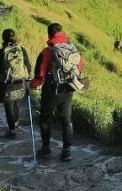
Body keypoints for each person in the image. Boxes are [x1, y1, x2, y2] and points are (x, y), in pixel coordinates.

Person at [29, 23, 83, 161]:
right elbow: (80, 65)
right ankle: (66, 152)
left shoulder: (47, 52)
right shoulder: (72, 48)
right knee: (66, 120)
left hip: (51, 91)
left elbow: (40, 76)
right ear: (62, 33)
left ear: (49, 35)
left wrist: (31, 85)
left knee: (45, 119)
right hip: (68, 89)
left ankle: (46, 149)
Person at [0, 29, 31, 136]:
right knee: (17, 102)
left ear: (3, 38)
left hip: (6, 84)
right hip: (20, 82)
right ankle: (15, 122)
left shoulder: (1, 52)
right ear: (15, 37)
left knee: (9, 106)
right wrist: (27, 76)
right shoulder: (22, 50)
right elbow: (28, 66)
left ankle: (12, 129)